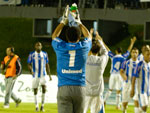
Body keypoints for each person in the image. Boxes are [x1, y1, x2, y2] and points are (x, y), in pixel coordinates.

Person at [51, 5, 92, 113]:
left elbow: (54, 36)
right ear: (79, 38)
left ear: (66, 37)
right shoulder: (83, 46)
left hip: (64, 88)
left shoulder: (61, 47)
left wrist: (63, 22)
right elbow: (89, 37)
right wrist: (79, 22)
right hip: (80, 88)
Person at [103, 36, 136, 109]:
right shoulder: (124, 57)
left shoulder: (113, 56)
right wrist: (132, 43)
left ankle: (104, 101)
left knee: (110, 89)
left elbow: (107, 49)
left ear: (116, 51)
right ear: (121, 51)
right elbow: (128, 50)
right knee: (118, 91)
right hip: (120, 75)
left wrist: (102, 41)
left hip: (113, 74)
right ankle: (117, 105)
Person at [83, 30, 108, 113]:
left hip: (86, 91)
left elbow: (85, 49)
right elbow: (105, 52)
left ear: (90, 50)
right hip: (97, 93)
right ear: (98, 50)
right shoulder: (101, 60)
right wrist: (100, 40)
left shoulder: (86, 59)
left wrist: (89, 38)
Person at [27, 42, 52, 112]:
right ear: (35, 46)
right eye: (37, 45)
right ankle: (36, 106)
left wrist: (49, 75)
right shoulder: (32, 54)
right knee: (35, 90)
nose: (38, 46)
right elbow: (28, 64)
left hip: (43, 75)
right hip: (35, 75)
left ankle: (42, 106)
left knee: (44, 89)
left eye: (39, 45)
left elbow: (47, 64)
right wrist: (31, 71)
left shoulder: (45, 54)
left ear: (41, 46)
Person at [131, 47, 150, 113]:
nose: (149, 56)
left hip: (147, 90)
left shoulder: (149, 65)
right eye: (148, 54)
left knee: (145, 106)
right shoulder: (139, 64)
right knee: (144, 106)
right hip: (141, 91)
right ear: (143, 55)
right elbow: (134, 77)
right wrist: (132, 89)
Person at [120, 47, 139, 113]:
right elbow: (121, 71)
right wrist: (124, 76)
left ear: (138, 54)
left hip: (136, 85)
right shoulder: (126, 62)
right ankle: (124, 110)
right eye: (133, 52)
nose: (134, 54)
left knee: (137, 101)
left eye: (136, 52)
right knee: (124, 103)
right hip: (127, 84)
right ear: (131, 53)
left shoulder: (140, 63)